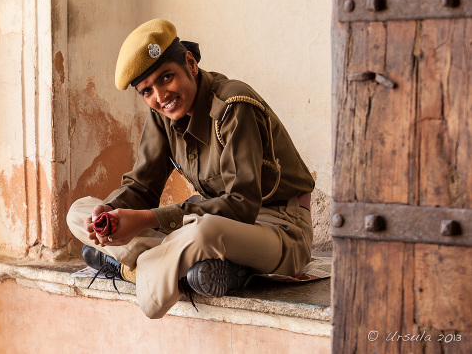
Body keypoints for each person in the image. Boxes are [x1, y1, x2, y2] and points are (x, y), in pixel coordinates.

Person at [66, 18, 315, 319]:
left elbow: (242, 205)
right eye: (147, 91)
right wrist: (110, 211)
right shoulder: (163, 115)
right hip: (206, 220)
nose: (160, 97)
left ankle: (132, 264)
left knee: (205, 232)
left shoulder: (233, 106)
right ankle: (188, 269)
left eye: (167, 77)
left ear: (190, 63)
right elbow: (142, 186)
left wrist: (146, 220)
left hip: (277, 228)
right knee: (79, 211)